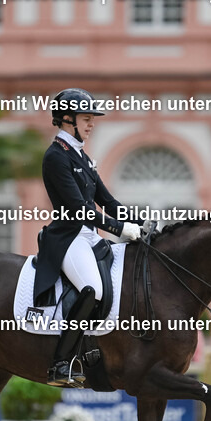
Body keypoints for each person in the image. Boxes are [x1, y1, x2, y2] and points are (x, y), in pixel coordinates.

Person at [33, 88, 148, 385]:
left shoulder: (82, 156)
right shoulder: (56, 157)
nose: (91, 123)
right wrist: (119, 229)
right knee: (92, 288)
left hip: (89, 237)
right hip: (68, 236)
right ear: (67, 119)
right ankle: (60, 362)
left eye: (91, 118)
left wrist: (140, 222)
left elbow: (107, 202)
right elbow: (80, 209)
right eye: (86, 118)